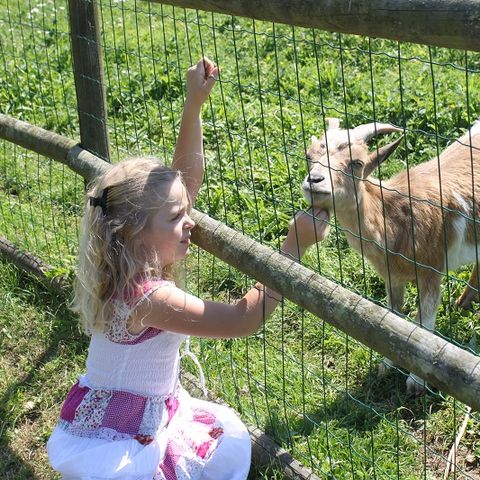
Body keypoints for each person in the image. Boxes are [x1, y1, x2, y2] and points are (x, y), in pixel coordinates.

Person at [47, 57, 329, 480]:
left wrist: (193, 104)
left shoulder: (123, 262)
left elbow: (184, 181)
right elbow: (242, 319)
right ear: (137, 233)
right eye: (178, 217)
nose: (190, 221)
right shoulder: (151, 298)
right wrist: (293, 246)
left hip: (122, 409)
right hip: (122, 439)